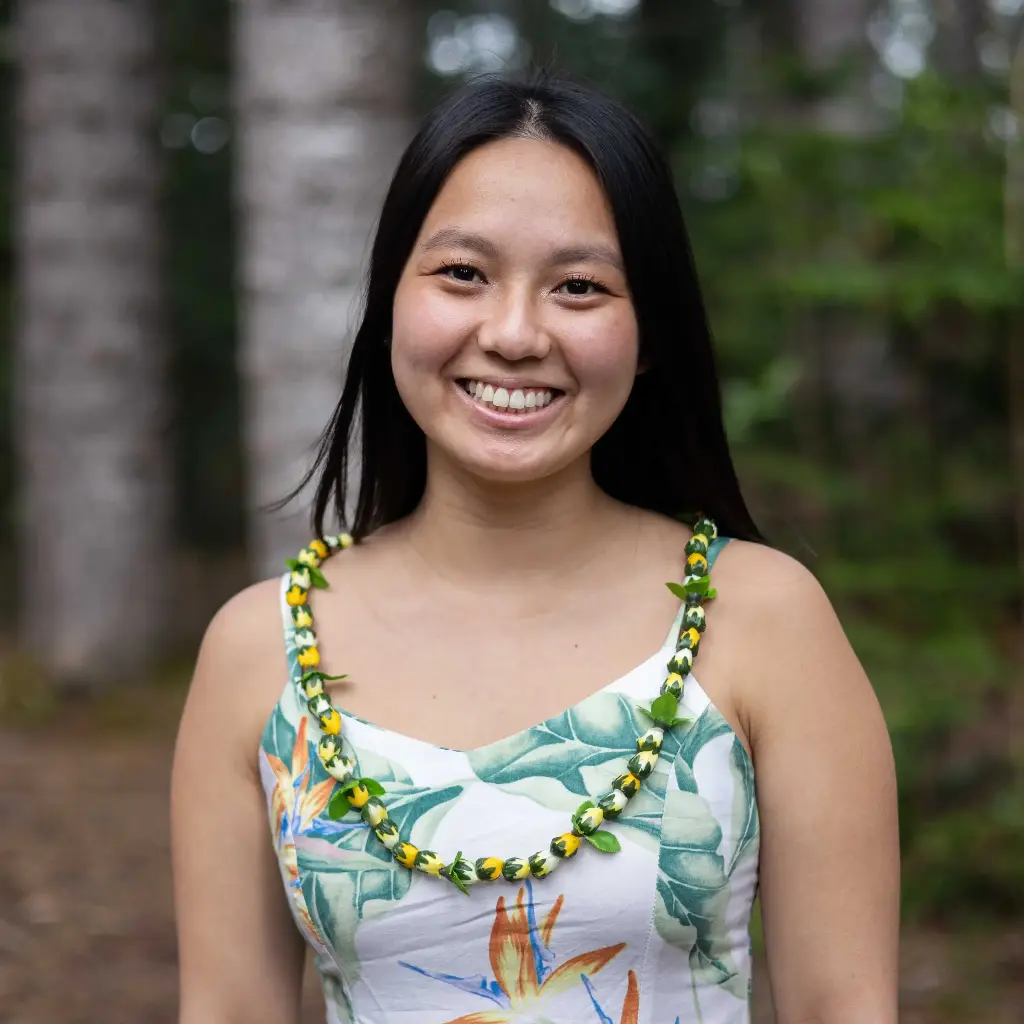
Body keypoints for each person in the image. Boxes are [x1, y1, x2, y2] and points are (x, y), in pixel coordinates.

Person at [171, 71, 899, 1024]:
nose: (514, 334)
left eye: (580, 287)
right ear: (391, 300)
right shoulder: (259, 649)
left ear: (647, 336)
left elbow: (843, 1008)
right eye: (463, 274)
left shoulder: (761, 617)